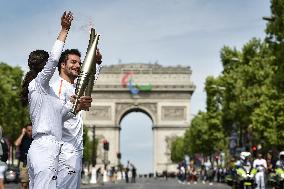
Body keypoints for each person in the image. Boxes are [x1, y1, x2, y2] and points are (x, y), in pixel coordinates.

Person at [20, 11, 86, 189]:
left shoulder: (48, 92)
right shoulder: (38, 84)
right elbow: (55, 58)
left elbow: (64, 113)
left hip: (44, 148)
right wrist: (64, 30)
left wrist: (78, 105)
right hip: (46, 148)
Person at [52, 46, 102, 188]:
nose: (77, 66)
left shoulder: (74, 87)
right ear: (62, 65)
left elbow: (90, 80)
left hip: (75, 149)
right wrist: (76, 107)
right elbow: (54, 117)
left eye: (79, 63)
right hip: (64, 150)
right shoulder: (58, 88)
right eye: (73, 62)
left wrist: (97, 63)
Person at [14, 123, 33, 189]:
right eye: (29, 131)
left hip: (34, 164)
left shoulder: (36, 138)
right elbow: (16, 144)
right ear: (25, 130)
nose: (30, 132)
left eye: (31, 130)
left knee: (33, 184)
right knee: (24, 184)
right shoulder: (23, 138)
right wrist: (22, 133)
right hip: (24, 163)